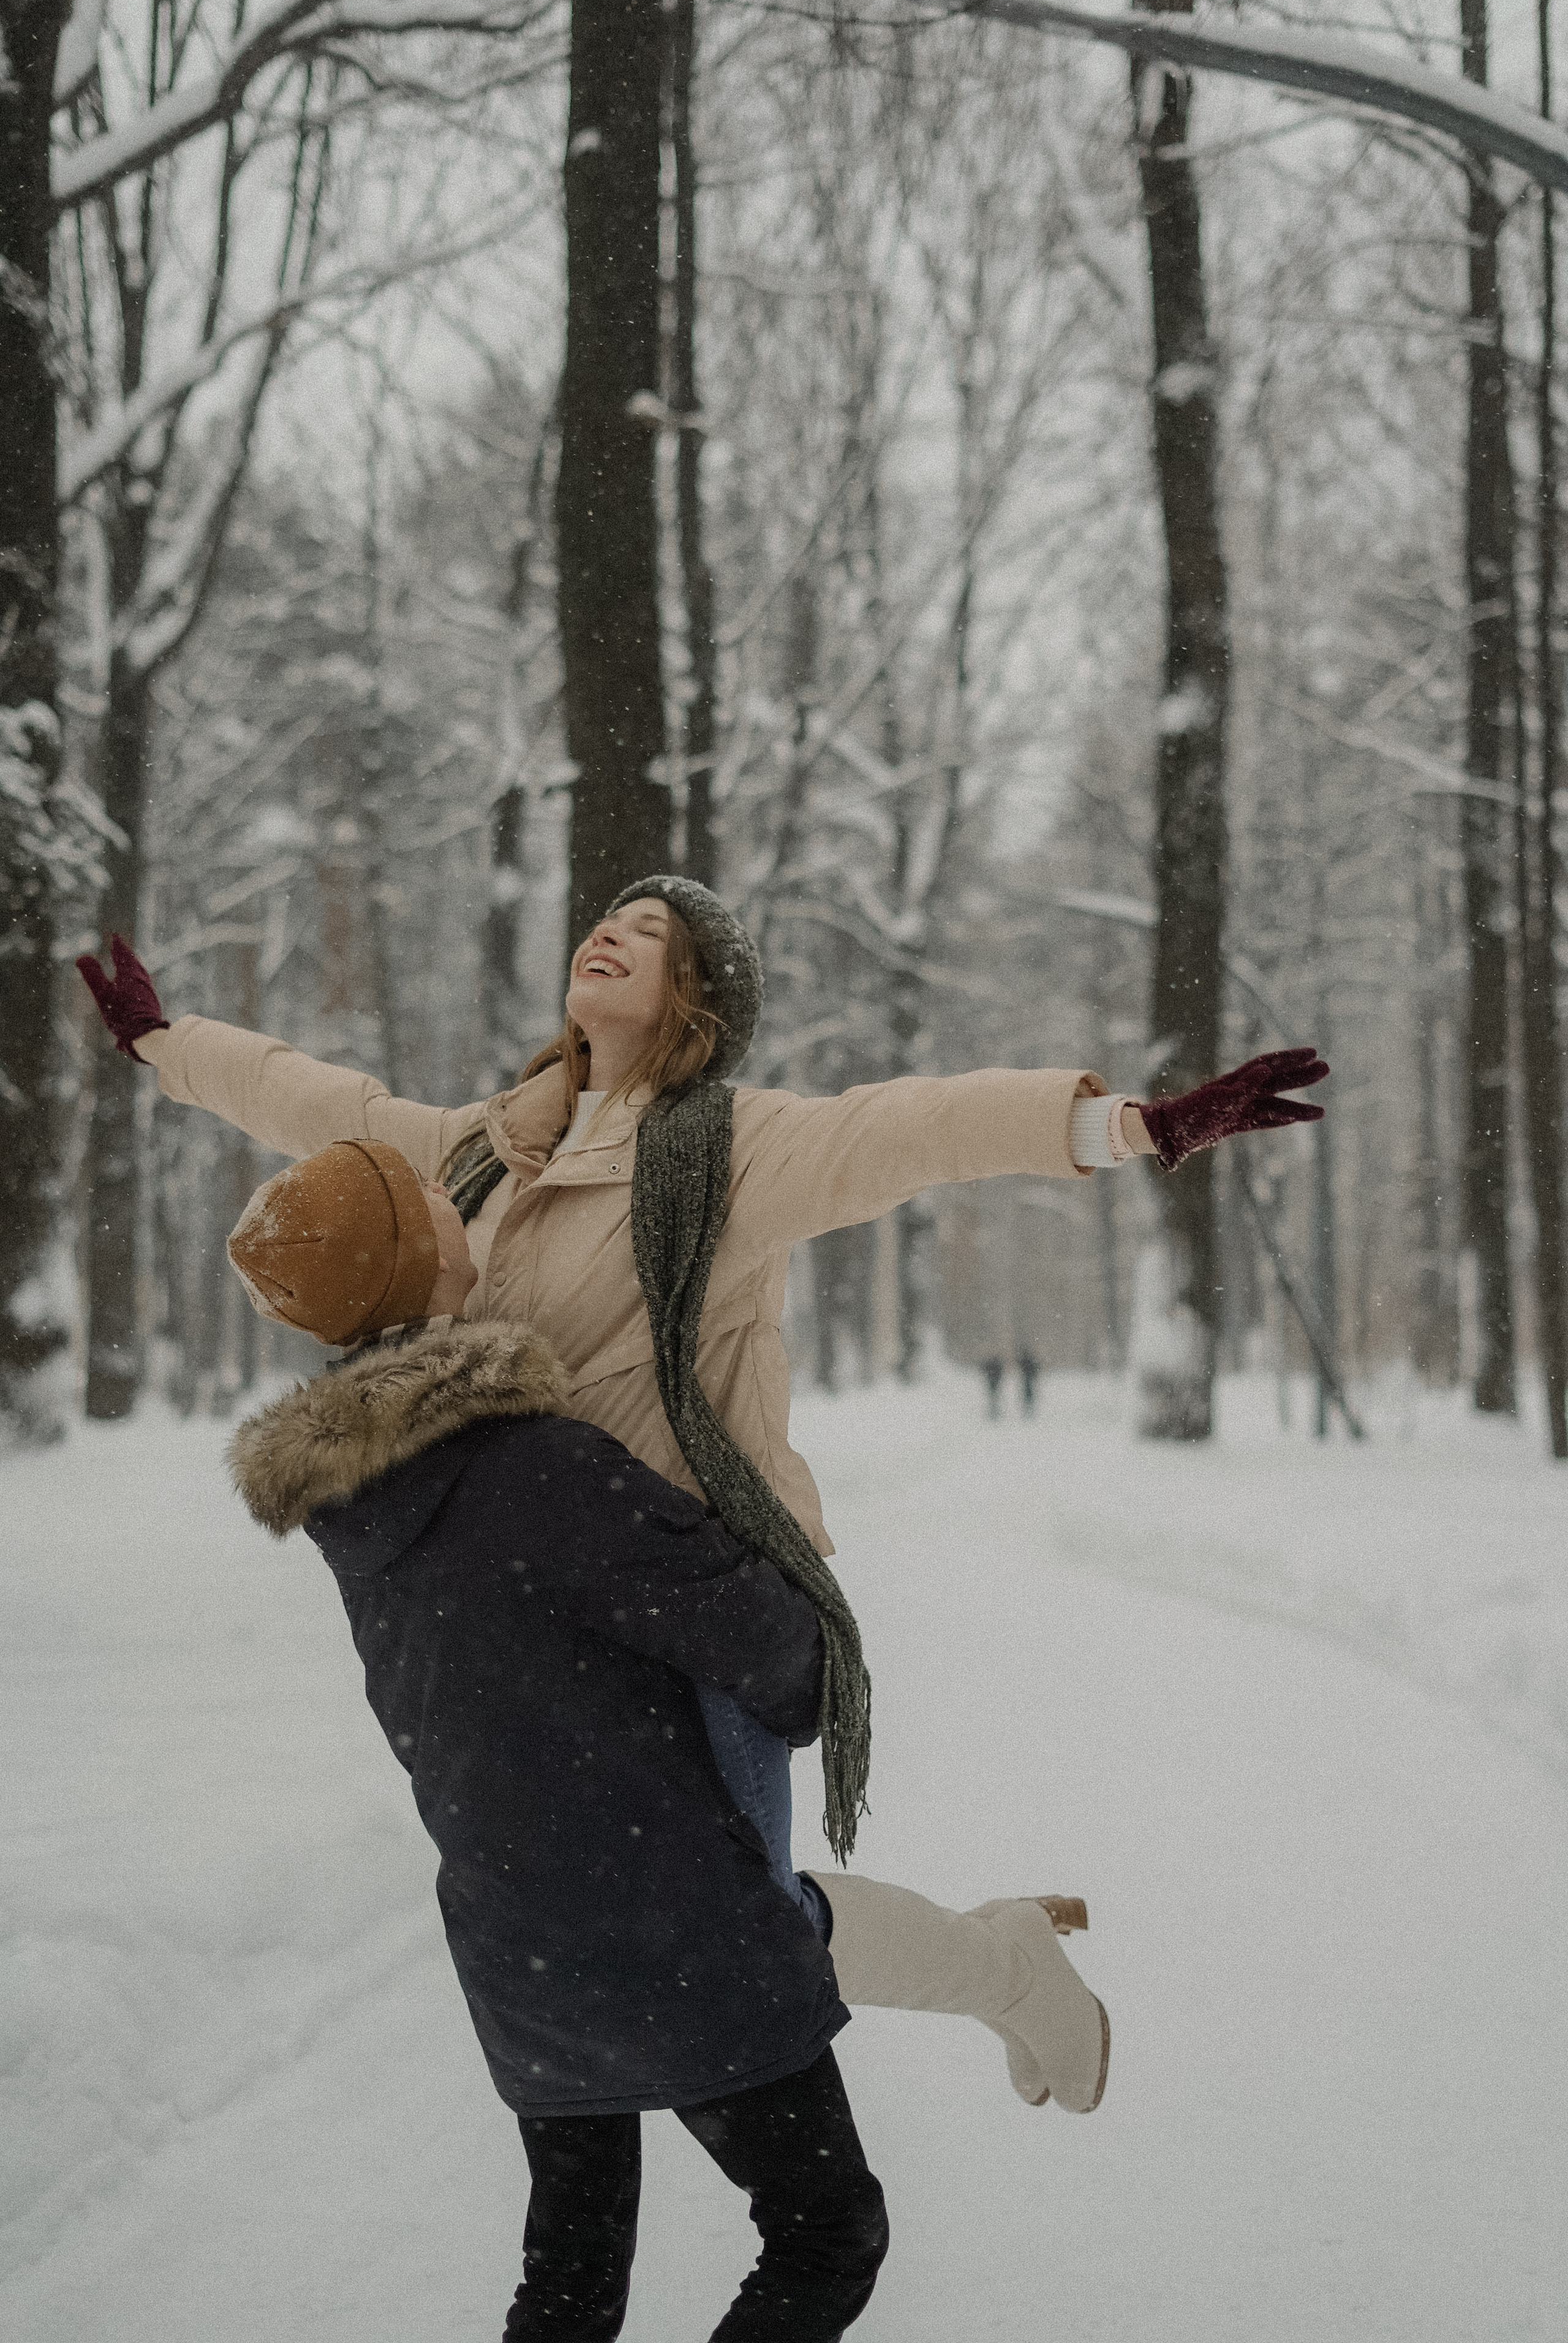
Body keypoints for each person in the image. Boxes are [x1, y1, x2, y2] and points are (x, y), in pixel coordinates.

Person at [79, 887, 1325, 2106]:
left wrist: (1128, 1127)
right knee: (638, 1917)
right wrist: (163, 1042)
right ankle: (960, 1987)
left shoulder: (730, 1153)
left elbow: (912, 1128)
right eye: (611, 916)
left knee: (742, 1921)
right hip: (561, 1613)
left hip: (694, 1599)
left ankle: (1004, 1973)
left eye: (655, 934)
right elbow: (318, 1100)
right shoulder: (481, 1147)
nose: (613, 931)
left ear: (693, 1003)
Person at [224, 1135, 889, 2342]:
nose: (458, 1197)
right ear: (416, 1260)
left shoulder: (361, 1503)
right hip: (671, 1925)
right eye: (433, 1198)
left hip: (518, 1940)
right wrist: (810, 1664)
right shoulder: (541, 1470)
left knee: (572, 2274)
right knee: (825, 2232)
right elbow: (760, 1641)